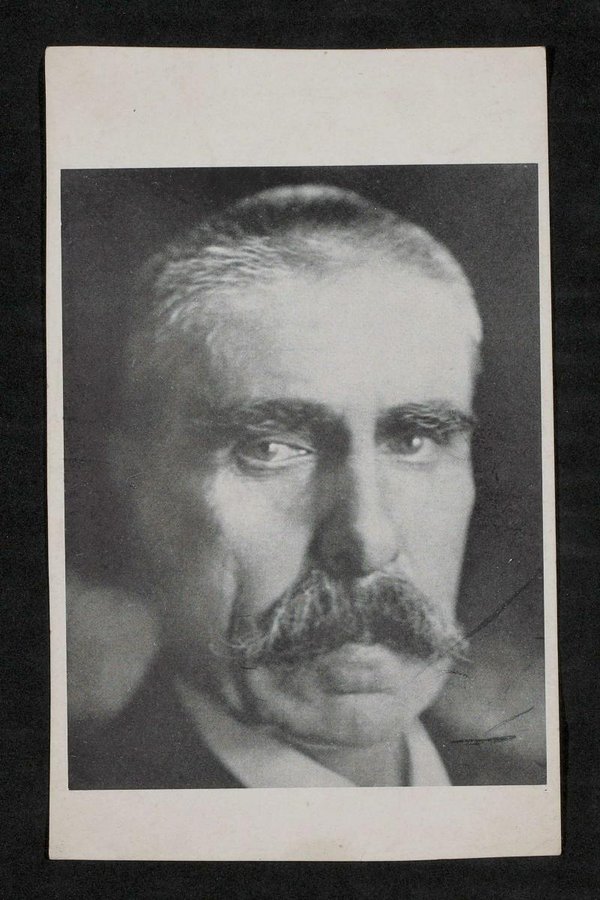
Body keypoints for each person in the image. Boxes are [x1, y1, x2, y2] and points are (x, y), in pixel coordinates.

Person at [68, 182, 485, 789]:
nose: (368, 542)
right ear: (135, 485)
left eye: (414, 440)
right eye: (270, 449)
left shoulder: (530, 794)